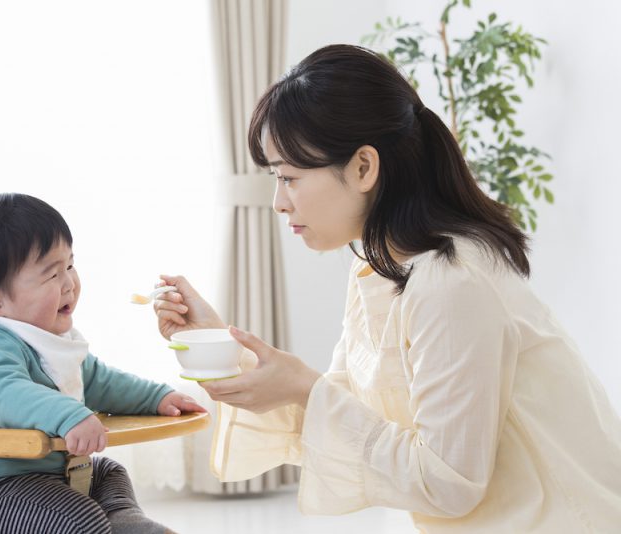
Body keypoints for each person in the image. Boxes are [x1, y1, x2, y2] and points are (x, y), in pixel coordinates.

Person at [153, 45, 621, 533]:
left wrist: (305, 389)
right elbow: (347, 405)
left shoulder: (451, 280)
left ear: (363, 167)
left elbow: (449, 482)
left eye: (289, 178)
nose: (278, 203)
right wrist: (220, 344)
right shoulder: (380, 266)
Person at [0, 193, 203, 534]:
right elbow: (5, 393)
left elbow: (98, 379)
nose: (70, 282)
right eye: (51, 275)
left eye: (69, 265)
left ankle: (122, 522)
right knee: (76, 518)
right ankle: (99, 525)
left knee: (108, 471)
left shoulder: (48, 336)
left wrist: (155, 398)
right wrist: (68, 416)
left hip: (49, 475)